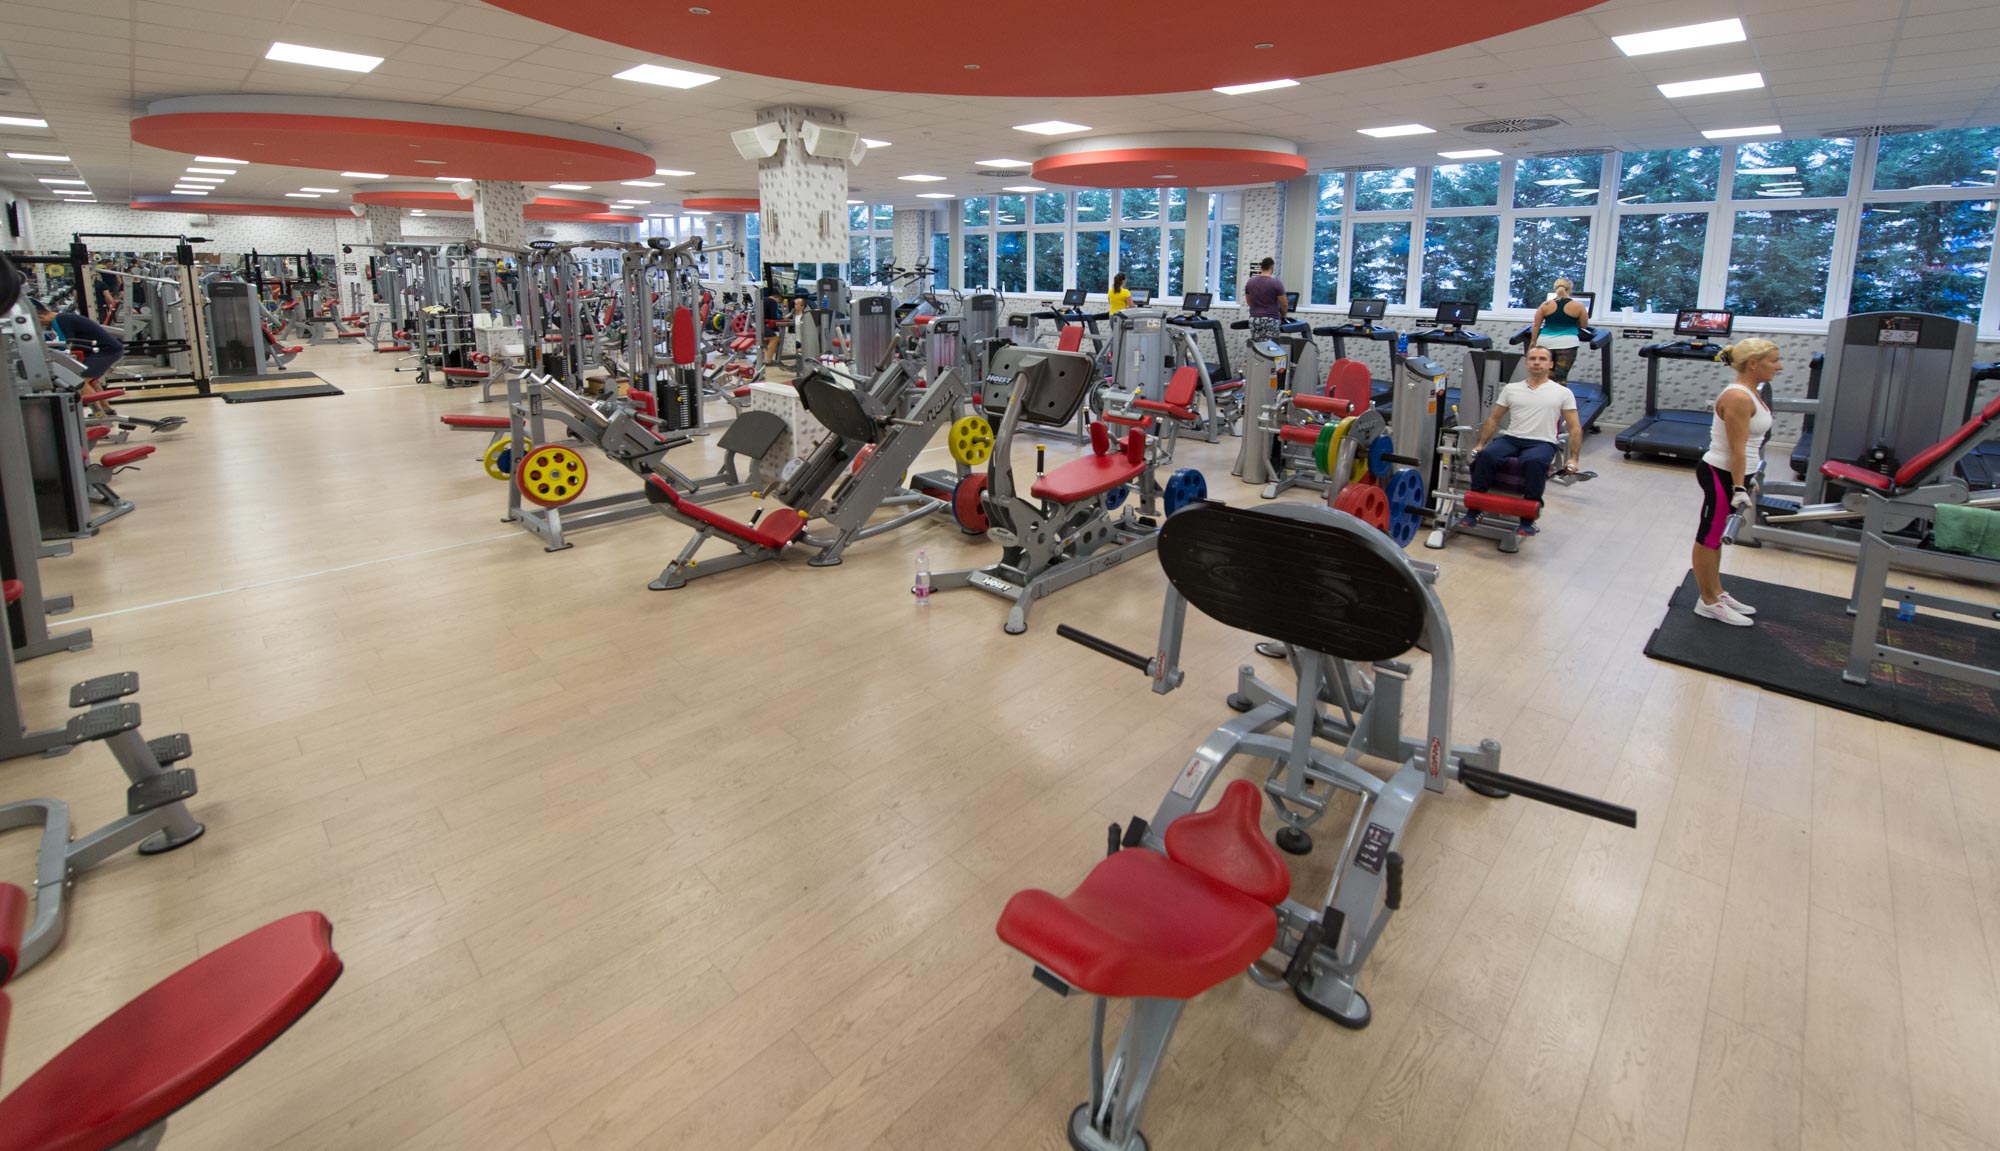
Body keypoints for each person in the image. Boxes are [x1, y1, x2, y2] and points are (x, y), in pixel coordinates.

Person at [1690, 338, 1778, 626]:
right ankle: (1707, 601)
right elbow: (1736, 449)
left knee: (1716, 538)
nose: (1779, 366)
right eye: (1773, 361)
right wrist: (1739, 487)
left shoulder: (1754, 392)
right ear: (1753, 364)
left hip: (1737, 473)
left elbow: (1751, 447)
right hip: (1721, 473)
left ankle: (1717, 591)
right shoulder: (1738, 397)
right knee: (1710, 536)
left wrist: (1749, 478)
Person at [1460, 345, 1584, 536]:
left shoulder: (1562, 392)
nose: (1537, 363)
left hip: (1542, 442)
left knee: (1534, 462)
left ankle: (1528, 519)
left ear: (1550, 364)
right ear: (1527, 363)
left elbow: (1575, 427)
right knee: (1486, 456)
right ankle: (1475, 510)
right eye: (1532, 359)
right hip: (1512, 438)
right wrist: (1481, 444)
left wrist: (1573, 458)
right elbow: (1494, 418)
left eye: (1542, 359)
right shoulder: (1512, 389)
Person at [33, 297, 125, 418]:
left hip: (106, 350)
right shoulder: (64, 317)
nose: (42, 325)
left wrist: (49, 350)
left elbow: (66, 344)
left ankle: (98, 414)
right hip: (108, 349)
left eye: (39, 323)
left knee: (80, 381)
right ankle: (107, 410)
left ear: (41, 317)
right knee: (91, 381)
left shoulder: (59, 320)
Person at [1527, 277, 1589, 382]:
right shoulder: (1578, 306)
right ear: (1570, 289)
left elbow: (1536, 325)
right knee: (1561, 378)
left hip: (1545, 343)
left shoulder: (1545, 305)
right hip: (1567, 344)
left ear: (1555, 288)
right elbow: (1584, 325)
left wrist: (1533, 342)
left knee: (1545, 378)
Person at [1243, 257, 1286, 340]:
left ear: (1261, 267)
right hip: (1271, 319)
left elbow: (1249, 302)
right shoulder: (1276, 283)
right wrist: (1283, 316)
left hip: (1255, 319)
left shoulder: (1250, 282)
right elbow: (1284, 304)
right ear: (1272, 267)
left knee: (1257, 345)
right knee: (1271, 346)